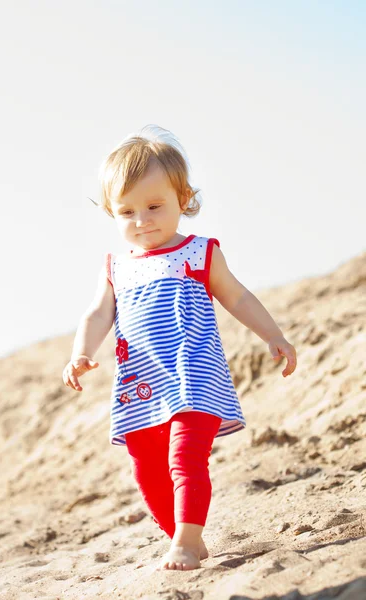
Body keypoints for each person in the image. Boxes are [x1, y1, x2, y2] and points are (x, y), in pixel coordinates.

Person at [62, 124, 297, 571]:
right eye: (127, 211)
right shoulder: (116, 268)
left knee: (184, 459)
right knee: (147, 469)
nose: (142, 220)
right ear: (112, 213)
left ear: (183, 198)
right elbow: (96, 315)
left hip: (194, 378)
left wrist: (273, 335)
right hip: (139, 384)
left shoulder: (198, 252)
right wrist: (80, 353)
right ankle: (179, 534)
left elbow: (238, 296)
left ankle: (188, 540)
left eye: (154, 206)